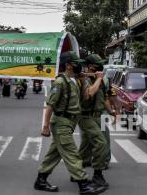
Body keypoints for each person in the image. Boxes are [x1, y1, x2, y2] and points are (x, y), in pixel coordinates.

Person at [34, 51, 106, 194]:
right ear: (68, 65)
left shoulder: (76, 81)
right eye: (75, 63)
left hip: (70, 122)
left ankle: (40, 180)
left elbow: (87, 96)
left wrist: (85, 79)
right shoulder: (60, 81)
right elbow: (50, 105)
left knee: (54, 153)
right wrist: (45, 126)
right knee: (72, 154)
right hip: (61, 122)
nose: (79, 66)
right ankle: (83, 185)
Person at [77, 54, 116, 187]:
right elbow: (89, 94)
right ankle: (97, 175)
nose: (100, 67)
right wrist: (99, 78)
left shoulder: (101, 80)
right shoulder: (84, 78)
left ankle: (76, 172)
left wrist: (111, 111)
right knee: (101, 143)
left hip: (98, 115)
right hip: (86, 116)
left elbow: (104, 97)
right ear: (90, 66)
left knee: (86, 145)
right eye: (97, 65)